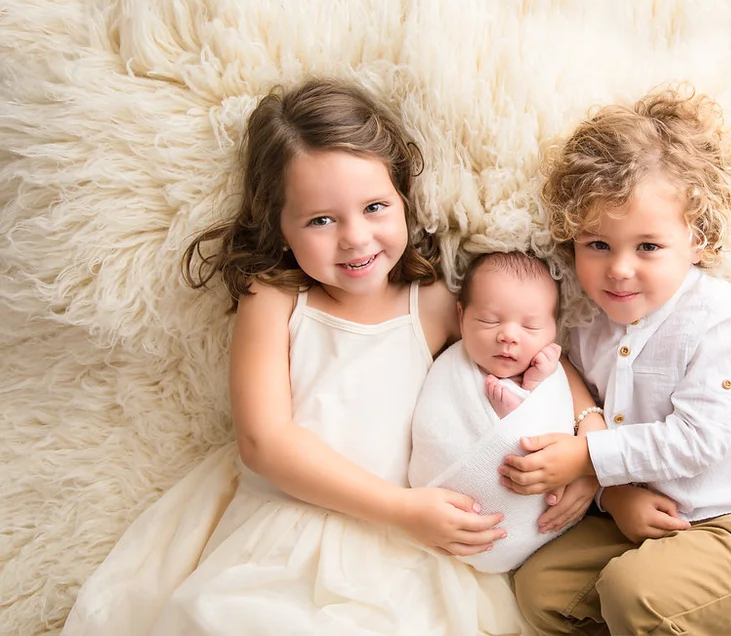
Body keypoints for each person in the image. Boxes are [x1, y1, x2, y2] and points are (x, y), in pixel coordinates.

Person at [62, 78, 534, 636]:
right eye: (320, 220)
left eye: (375, 207)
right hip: (293, 528)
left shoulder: (431, 304)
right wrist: (401, 509)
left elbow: (529, 354)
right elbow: (264, 442)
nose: (356, 239)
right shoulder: (276, 300)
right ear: (280, 227)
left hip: (406, 548)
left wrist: (589, 439)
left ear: (404, 198)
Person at [504, 85, 731, 636]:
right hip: (659, 515)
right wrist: (614, 492)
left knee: (633, 595)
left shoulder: (718, 320)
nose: (618, 270)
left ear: (698, 240)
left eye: (648, 247)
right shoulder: (590, 325)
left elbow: (698, 439)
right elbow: (570, 380)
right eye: (597, 245)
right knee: (541, 588)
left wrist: (587, 458)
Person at [409, 251, 605, 574]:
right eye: (489, 320)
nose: (508, 336)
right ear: (461, 316)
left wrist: (531, 394)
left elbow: (554, 430)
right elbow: (434, 430)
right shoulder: (452, 369)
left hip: (537, 525)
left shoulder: (553, 374)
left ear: (553, 330)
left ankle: (515, 405)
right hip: (439, 510)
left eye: (530, 326)